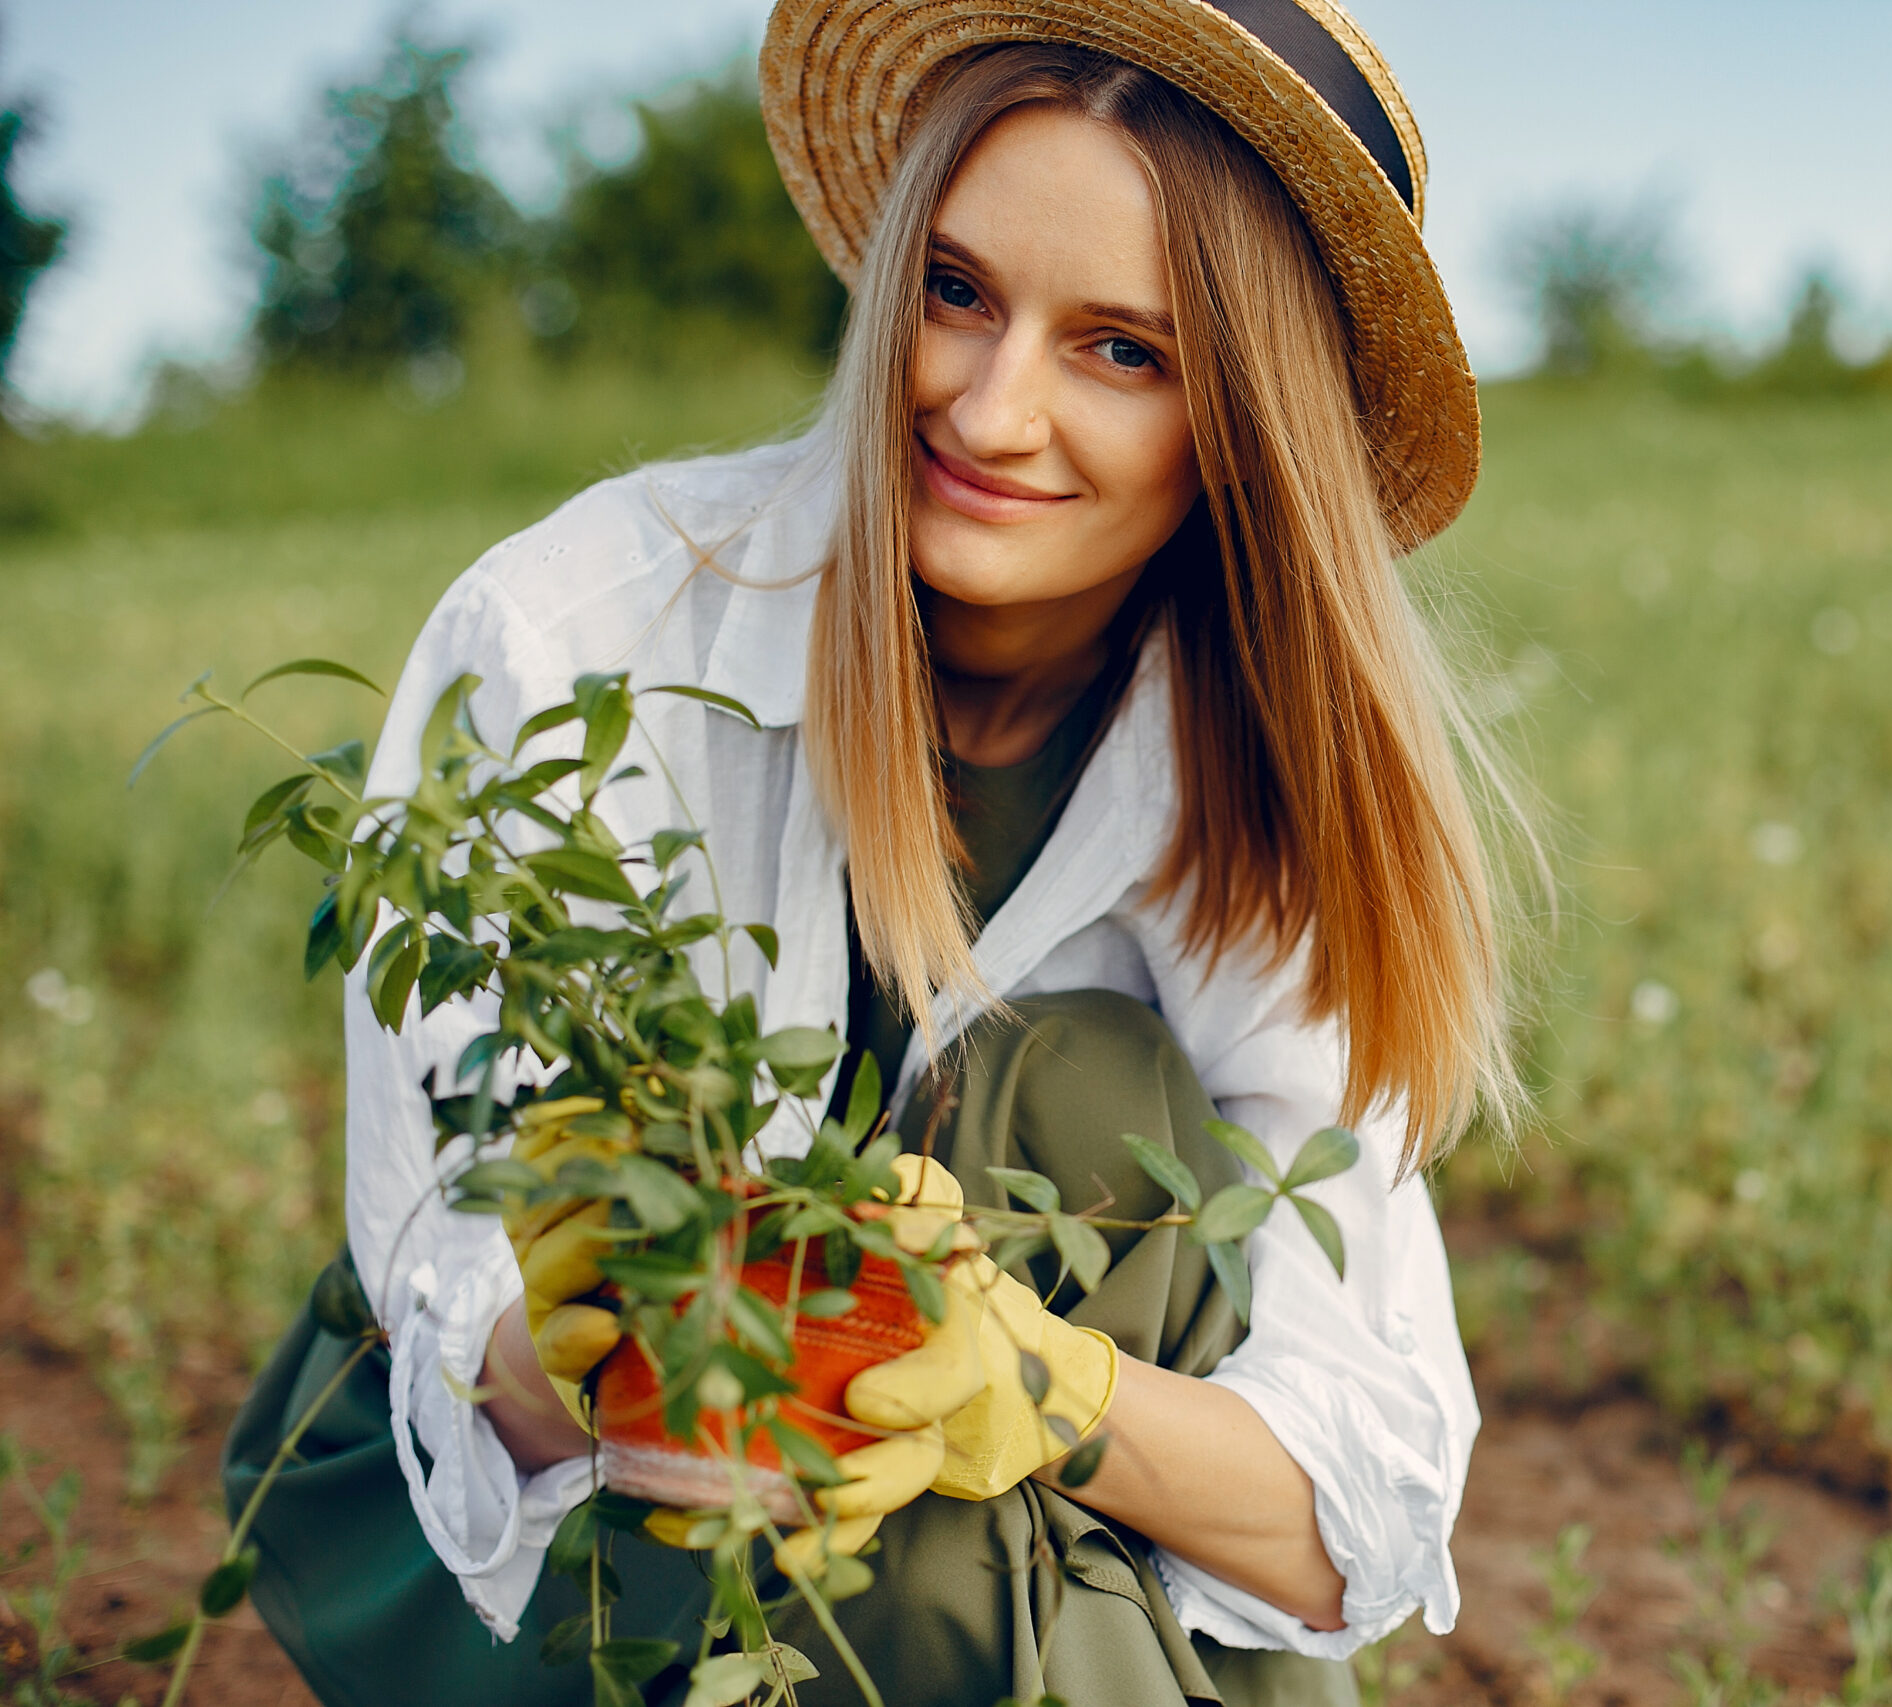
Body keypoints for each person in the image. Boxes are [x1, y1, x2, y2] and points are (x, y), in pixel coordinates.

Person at [223, 3, 1532, 1703]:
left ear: (1245, 427)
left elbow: (1362, 1486)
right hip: (601, 1538)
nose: (988, 413)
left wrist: (1036, 1387)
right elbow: (449, 1287)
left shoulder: (1268, 780)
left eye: (1121, 350)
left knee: (1077, 1095)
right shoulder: (576, 639)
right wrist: (642, 1329)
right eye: (959, 291)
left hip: (1028, 1542)